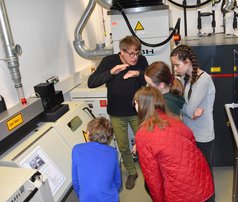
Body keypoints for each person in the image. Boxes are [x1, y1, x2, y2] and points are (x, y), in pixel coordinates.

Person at [87, 35, 148, 189]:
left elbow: (149, 79)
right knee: (123, 145)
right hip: (116, 113)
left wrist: (138, 74)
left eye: (137, 53)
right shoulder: (109, 61)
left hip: (137, 112)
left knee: (146, 143)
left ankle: (150, 172)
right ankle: (132, 172)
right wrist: (112, 72)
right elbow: (91, 82)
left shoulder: (141, 61)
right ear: (122, 52)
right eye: (131, 54)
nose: (135, 58)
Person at [133, 86, 214, 202]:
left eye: (136, 103)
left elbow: (153, 178)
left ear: (142, 105)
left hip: (182, 191)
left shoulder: (143, 134)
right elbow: (192, 141)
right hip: (202, 181)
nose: (135, 106)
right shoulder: (174, 120)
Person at [171, 45, 216, 202]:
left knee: (205, 173)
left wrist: (182, 108)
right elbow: (187, 108)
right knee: (195, 172)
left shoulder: (204, 79)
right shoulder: (188, 78)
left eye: (177, 65)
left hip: (202, 135)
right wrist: (186, 109)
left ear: (188, 61)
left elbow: (187, 108)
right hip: (190, 132)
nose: (175, 69)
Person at [72, 117, 121, 202]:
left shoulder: (77, 149)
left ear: (88, 133)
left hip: (86, 198)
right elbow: (118, 181)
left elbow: (75, 182)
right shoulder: (113, 152)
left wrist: (83, 196)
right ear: (108, 137)